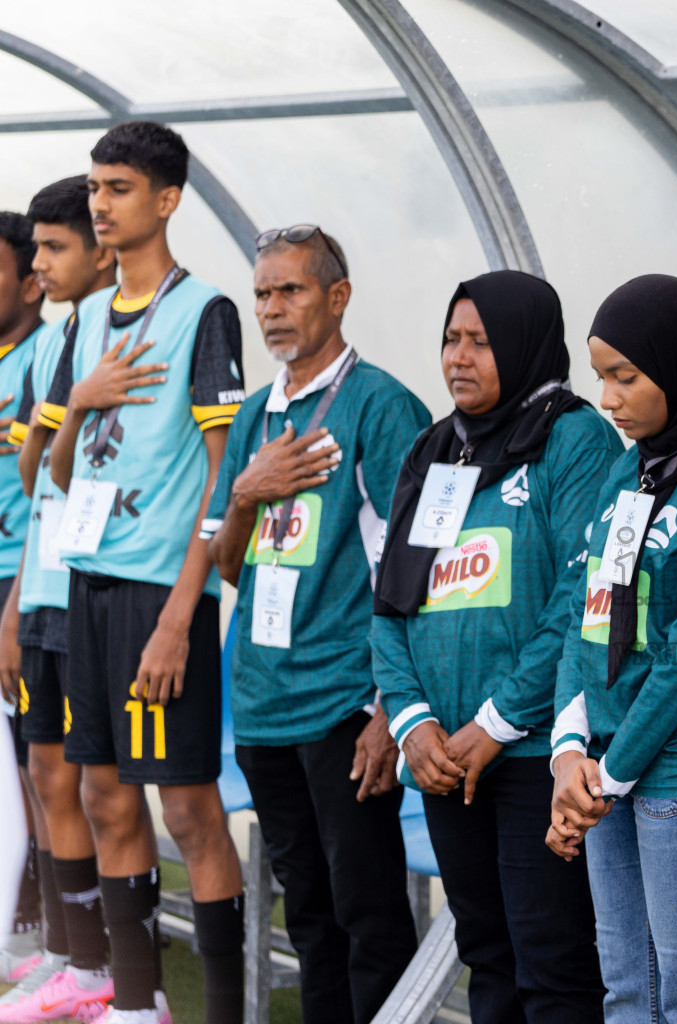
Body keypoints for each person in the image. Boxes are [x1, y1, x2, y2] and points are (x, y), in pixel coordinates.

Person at [372, 270, 617, 1024]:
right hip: (444, 757)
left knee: (553, 962)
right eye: (450, 339)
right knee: (486, 954)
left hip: (535, 754)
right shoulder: (433, 449)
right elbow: (388, 602)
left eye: (479, 341)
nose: (458, 357)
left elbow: (580, 602)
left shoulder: (573, 439)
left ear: (523, 341)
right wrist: (412, 723)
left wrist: (497, 723)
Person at [44, 121, 248, 1024]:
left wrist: (181, 612)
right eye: (95, 185)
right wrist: (78, 408)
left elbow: (222, 469)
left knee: (190, 808)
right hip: (86, 583)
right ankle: (138, 1002)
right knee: (99, 790)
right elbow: (48, 477)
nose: (100, 202)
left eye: (118, 187)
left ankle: (224, 1012)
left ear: (165, 200)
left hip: (160, 598)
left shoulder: (204, 310)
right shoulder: (82, 319)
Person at [202, 226, 427, 1023]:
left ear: (337, 297)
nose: (271, 309)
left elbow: (420, 571)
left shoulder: (383, 406)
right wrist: (245, 492)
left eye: (290, 290)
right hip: (264, 702)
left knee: (367, 911)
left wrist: (385, 712)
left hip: (342, 703)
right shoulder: (258, 414)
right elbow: (233, 565)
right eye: (261, 293)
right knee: (307, 915)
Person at [544, 275, 677, 1024]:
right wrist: (570, 752)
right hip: (603, 767)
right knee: (628, 990)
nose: (606, 399)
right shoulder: (626, 468)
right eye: (600, 376)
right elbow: (583, 612)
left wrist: (613, 771)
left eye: (624, 377)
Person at [0, 176, 118, 1022]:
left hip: (98, 587)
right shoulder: (54, 350)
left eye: (52, 249)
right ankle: (64, 952)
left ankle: (120, 973)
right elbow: (37, 473)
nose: (41, 268)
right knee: (46, 772)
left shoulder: (141, 334)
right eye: (35, 250)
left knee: (99, 784)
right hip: (35, 585)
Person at [0, 212, 44, 988]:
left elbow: (49, 494)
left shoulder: (48, 359)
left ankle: (45, 941)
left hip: (23, 585)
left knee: (35, 775)